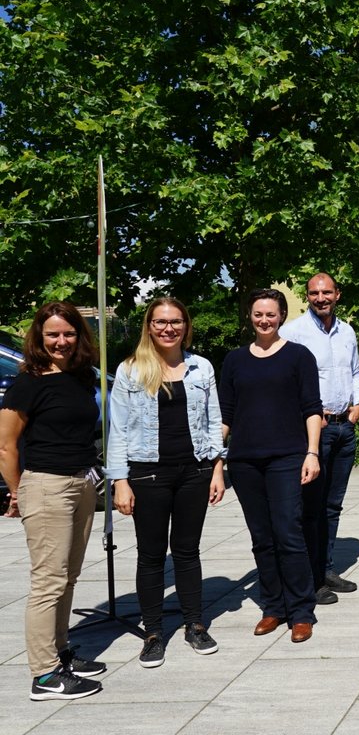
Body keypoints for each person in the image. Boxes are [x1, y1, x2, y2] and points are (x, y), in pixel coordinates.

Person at [107, 298, 226, 668]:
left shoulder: (200, 367)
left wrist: (218, 468)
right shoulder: (131, 370)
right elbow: (118, 430)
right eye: (160, 322)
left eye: (176, 321)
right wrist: (120, 481)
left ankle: (194, 624)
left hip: (194, 471)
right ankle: (154, 632)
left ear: (185, 326)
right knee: (151, 554)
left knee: (188, 551)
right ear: (149, 325)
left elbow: (213, 420)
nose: (168, 328)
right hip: (148, 474)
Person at [0, 302, 107, 700]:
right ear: (39, 338)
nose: (61, 342)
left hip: (81, 484)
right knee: (48, 581)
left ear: (79, 335)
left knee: (68, 577)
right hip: (46, 485)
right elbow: (6, 446)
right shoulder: (28, 382)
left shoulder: (79, 378)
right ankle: (44, 675)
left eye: (68, 333)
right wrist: (17, 492)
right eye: (52, 335)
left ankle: (61, 652)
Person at [220, 289, 323, 643]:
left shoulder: (298, 356)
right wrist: (215, 460)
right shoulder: (234, 360)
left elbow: (312, 407)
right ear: (249, 316)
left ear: (281, 316)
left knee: (288, 533)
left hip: (287, 457)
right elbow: (226, 414)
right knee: (261, 538)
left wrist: (312, 453)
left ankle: (301, 611)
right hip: (244, 460)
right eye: (258, 314)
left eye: (271, 314)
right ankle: (273, 607)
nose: (264, 320)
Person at [279, 272, 359, 603]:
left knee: (332, 506)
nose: (320, 298)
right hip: (316, 430)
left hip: (345, 427)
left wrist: (358, 404)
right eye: (314, 293)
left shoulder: (347, 332)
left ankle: (325, 568)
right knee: (310, 507)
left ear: (337, 294)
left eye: (326, 292)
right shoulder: (293, 333)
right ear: (308, 296)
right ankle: (309, 578)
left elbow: (355, 372)